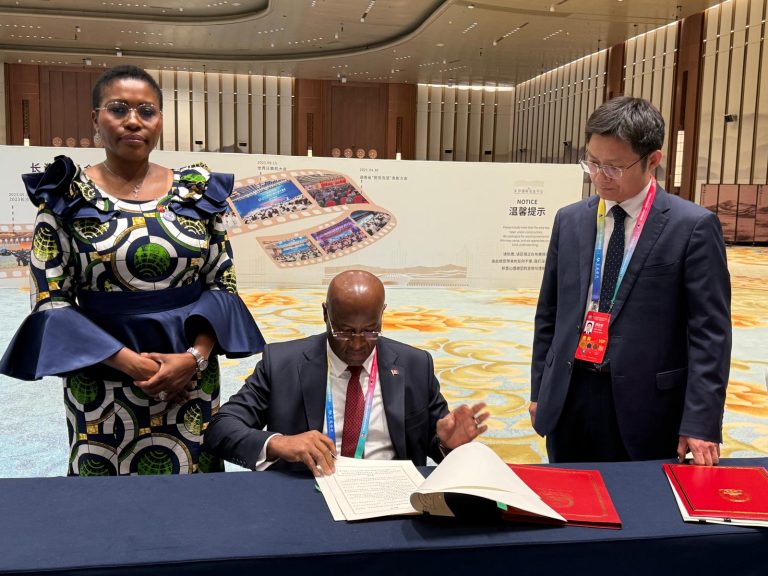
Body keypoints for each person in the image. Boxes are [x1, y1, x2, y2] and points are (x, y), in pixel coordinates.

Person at [0, 65, 265, 476]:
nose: (133, 121)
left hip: (189, 379)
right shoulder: (65, 196)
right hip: (101, 379)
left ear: (160, 121)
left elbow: (222, 283)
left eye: (147, 111)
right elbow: (51, 298)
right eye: (118, 108)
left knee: (194, 486)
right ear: (95, 119)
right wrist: (133, 365)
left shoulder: (195, 193)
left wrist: (194, 358)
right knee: (106, 489)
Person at [530, 97, 731, 466]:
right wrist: (540, 389)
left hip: (647, 404)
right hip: (570, 393)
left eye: (615, 166)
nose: (600, 176)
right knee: (568, 492)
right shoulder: (570, 220)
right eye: (593, 162)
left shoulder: (692, 227)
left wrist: (701, 421)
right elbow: (549, 312)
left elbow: (709, 333)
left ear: (653, 160)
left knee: (638, 496)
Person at [204, 270, 489, 476]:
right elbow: (221, 429)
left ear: (382, 314)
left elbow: (437, 443)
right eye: (344, 331)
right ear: (325, 314)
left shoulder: (415, 365)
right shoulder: (282, 363)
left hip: (391, 493)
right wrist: (279, 443)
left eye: (370, 330)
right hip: (308, 490)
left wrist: (448, 445)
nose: (357, 344)